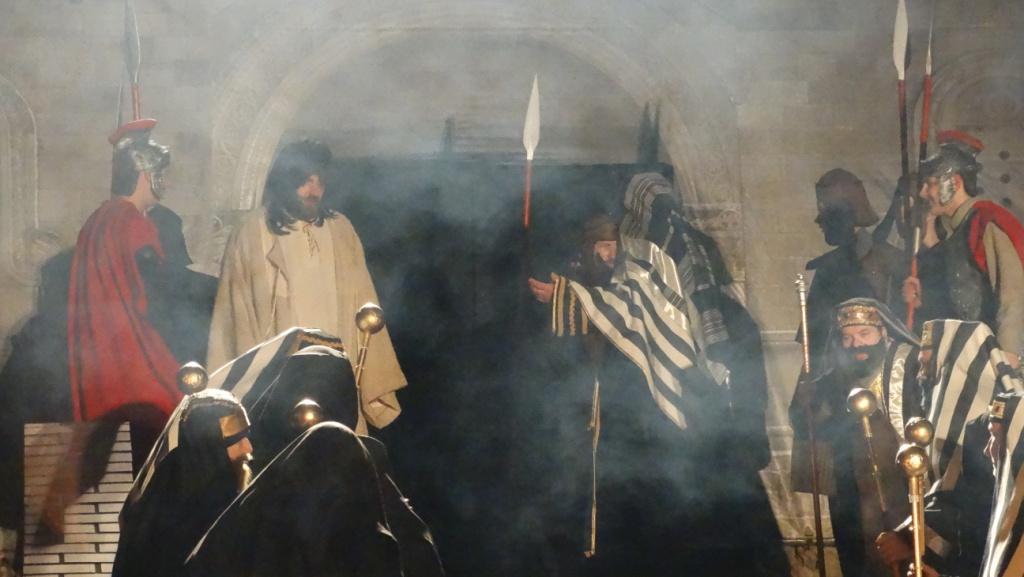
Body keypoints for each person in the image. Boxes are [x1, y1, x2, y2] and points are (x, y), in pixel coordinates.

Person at [207, 139, 404, 432]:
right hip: (279, 382)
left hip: (336, 373)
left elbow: (364, 299)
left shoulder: (340, 229)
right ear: (286, 181)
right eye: (305, 181)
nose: (314, 190)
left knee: (338, 444)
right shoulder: (253, 232)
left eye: (320, 181)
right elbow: (235, 313)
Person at [876, 318, 1021, 576]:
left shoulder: (986, 424)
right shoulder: (958, 416)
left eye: (928, 364)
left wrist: (910, 539)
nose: (921, 374)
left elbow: (961, 500)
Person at [789, 298, 919, 577]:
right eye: (847, 338)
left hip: (900, 484)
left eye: (864, 334)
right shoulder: (834, 377)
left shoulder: (908, 368)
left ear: (883, 332)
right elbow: (805, 423)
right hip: (851, 491)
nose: (856, 344)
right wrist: (808, 401)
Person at [904, 131, 1024, 364]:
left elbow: (1013, 296)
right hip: (967, 356)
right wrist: (923, 298)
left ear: (955, 183)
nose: (923, 193)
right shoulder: (959, 230)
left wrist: (1007, 357)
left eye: (930, 184)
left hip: (993, 358)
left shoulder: (986, 222)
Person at [112, 388, 253, 577]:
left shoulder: (173, 485)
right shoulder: (185, 502)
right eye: (237, 441)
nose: (248, 448)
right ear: (210, 445)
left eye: (246, 437)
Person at [802, 169, 903, 375]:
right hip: (837, 373)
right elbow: (816, 338)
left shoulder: (888, 260)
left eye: (827, 216)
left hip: (886, 371)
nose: (821, 224)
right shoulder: (829, 268)